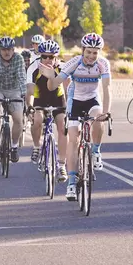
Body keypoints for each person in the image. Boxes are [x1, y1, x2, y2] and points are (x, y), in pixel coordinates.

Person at [41, 33, 111, 201]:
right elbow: (53, 86)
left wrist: (106, 113)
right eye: (88, 52)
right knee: (74, 138)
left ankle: (95, 151)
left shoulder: (103, 64)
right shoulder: (74, 63)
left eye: (95, 53)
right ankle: (72, 182)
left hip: (93, 99)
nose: (91, 56)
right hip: (75, 100)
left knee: (98, 120)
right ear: (83, 50)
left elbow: (107, 90)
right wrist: (50, 77)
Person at [26, 40, 68, 182]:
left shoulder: (63, 67)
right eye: (45, 56)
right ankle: (37, 146)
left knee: (63, 127)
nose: (48, 59)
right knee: (37, 119)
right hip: (40, 99)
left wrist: (70, 106)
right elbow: (30, 91)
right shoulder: (33, 67)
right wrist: (30, 107)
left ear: (56, 56)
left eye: (51, 57)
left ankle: (62, 164)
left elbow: (69, 89)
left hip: (58, 99)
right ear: (40, 56)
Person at [0, 36, 26, 163]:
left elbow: (21, 77)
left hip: (14, 89)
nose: (7, 52)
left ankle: (13, 147)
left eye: (9, 49)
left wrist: (23, 94)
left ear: (13, 50)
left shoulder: (19, 59)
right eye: (3, 49)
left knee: (18, 119)